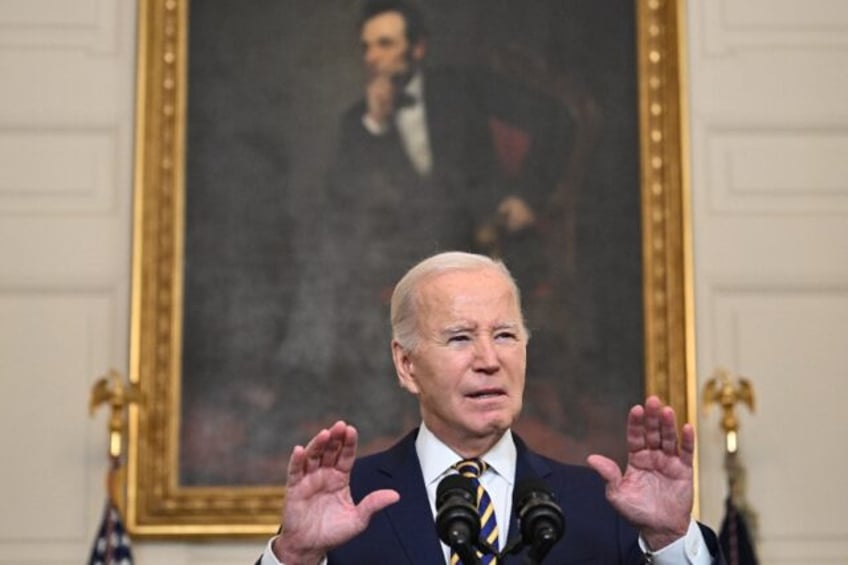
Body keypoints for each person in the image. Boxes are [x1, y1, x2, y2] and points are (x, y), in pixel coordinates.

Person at [257, 251, 722, 564]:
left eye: (504, 335)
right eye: (460, 338)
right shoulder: (349, 502)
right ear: (406, 364)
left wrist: (671, 540)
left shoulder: (605, 507)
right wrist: (293, 557)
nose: (489, 360)